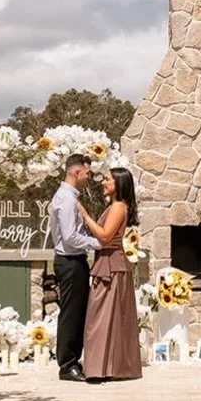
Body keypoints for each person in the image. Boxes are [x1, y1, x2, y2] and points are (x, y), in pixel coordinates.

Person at [76, 167, 143, 383]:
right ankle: (107, 366)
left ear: (119, 184)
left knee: (100, 317)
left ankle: (99, 369)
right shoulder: (114, 206)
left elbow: (105, 236)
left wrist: (85, 216)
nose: (103, 183)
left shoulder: (118, 207)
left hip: (112, 266)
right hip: (109, 263)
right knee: (108, 318)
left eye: (107, 180)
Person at [49, 154, 101, 381]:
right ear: (76, 172)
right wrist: (97, 242)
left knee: (76, 312)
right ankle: (67, 365)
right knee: (71, 314)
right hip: (70, 262)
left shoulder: (67, 197)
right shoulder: (67, 200)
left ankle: (72, 361)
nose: (89, 177)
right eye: (87, 173)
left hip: (72, 261)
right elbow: (70, 236)